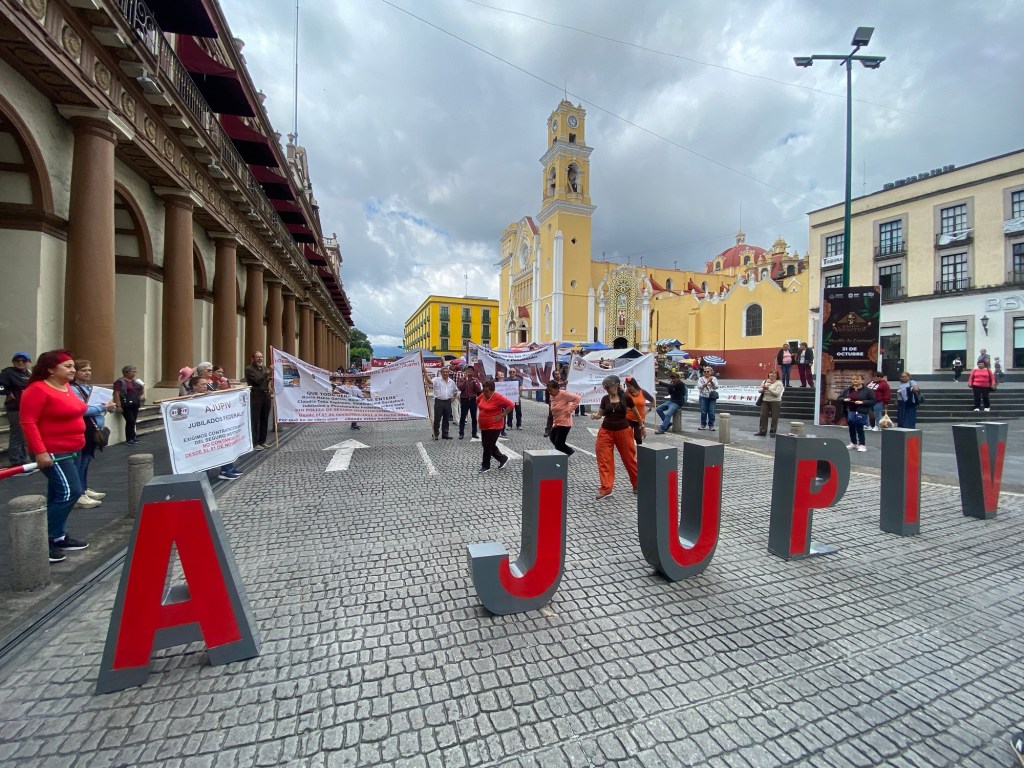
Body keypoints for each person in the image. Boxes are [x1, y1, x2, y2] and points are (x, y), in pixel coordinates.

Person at [18, 350, 90, 563]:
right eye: (67, 366)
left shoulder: (65, 387)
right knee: (71, 492)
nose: (73, 370)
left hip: (74, 448)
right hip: (53, 451)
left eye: (72, 366)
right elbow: (28, 422)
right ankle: (43, 540)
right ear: (50, 369)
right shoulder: (36, 390)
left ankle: (57, 535)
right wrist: (40, 452)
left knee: (57, 494)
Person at [71, 359, 116, 508]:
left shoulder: (88, 388)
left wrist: (108, 407)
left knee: (87, 460)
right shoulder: (73, 389)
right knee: (81, 462)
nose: (88, 373)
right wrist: (102, 408)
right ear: (76, 372)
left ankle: (83, 488)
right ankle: (78, 494)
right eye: (84, 370)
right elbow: (82, 410)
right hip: (85, 428)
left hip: (94, 427)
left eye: (89, 370)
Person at [590, 375, 642, 499]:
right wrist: (595, 416)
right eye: (605, 387)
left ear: (617, 385)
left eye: (609, 386)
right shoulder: (605, 399)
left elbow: (635, 412)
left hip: (623, 431)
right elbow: (600, 414)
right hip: (606, 431)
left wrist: (642, 426)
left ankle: (637, 484)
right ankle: (606, 488)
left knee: (629, 459)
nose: (607, 389)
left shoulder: (626, 398)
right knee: (604, 459)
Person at [186, 366, 242, 481]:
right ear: (194, 386)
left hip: (214, 427)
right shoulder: (190, 398)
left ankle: (227, 469)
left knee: (225, 445)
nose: (205, 386)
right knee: (204, 454)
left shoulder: (208, 394)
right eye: (202, 385)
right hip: (201, 431)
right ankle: (205, 475)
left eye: (206, 384)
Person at [0, 351, 32, 467]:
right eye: (17, 361)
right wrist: (8, 392)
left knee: (25, 435)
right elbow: (0, 386)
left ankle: (23, 460)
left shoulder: (30, 374)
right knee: (17, 435)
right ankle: (15, 462)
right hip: (15, 408)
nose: (20, 363)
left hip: (27, 408)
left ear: (29, 362)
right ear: (13, 362)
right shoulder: (7, 373)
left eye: (24, 361)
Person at [476, 379, 514, 473]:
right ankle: (502, 458)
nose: (484, 393)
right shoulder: (482, 396)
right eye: (483, 390)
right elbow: (478, 402)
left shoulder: (498, 397)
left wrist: (502, 415)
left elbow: (511, 405)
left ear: (492, 390)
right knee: (486, 444)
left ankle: (486, 466)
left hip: (495, 425)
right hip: (484, 425)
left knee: (488, 445)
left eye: (486, 391)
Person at [546, 379, 582, 455]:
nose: (550, 392)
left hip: (565, 422)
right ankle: (563, 453)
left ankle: (569, 452)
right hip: (557, 421)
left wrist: (570, 410)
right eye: (548, 390)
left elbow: (577, 398)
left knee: (559, 443)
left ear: (556, 388)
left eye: (551, 390)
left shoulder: (563, 394)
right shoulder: (552, 395)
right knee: (552, 438)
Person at [245, 352, 272, 449]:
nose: (260, 359)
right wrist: (267, 374)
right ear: (253, 358)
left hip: (266, 394)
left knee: (265, 419)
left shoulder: (264, 368)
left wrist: (270, 378)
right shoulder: (249, 369)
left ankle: (262, 441)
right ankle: (255, 442)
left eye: (261, 357)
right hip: (256, 395)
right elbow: (257, 381)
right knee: (255, 419)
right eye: (258, 357)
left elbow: (265, 380)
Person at [842, 374, 875, 452]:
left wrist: (862, 402)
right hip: (850, 410)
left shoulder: (868, 390)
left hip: (861, 411)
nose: (855, 381)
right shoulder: (848, 390)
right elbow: (840, 398)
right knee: (851, 427)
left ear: (862, 380)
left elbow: (873, 401)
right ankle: (853, 442)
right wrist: (844, 399)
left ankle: (862, 444)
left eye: (857, 379)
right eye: (853, 379)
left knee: (859, 427)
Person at [113, 364, 145, 445]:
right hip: (125, 403)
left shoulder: (135, 382)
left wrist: (142, 386)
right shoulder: (119, 382)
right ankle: (129, 438)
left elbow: (140, 393)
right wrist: (118, 405)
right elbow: (116, 394)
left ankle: (133, 437)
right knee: (130, 420)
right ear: (126, 372)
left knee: (133, 420)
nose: (134, 373)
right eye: (132, 371)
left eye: (135, 371)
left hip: (135, 403)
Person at [623, 377, 654, 445]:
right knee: (628, 436)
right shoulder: (627, 393)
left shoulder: (643, 392)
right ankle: (630, 452)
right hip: (629, 418)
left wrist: (649, 409)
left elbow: (652, 400)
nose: (628, 388)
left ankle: (640, 452)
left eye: (629, 386)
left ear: (634, 385)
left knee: (638, 437)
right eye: (627, 386)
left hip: (639, 419)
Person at [431, 367, 458, 439]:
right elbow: (430, 382)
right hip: (438, 401)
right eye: (444, 372)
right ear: (441, 372)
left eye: (446, 372)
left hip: (447, 402)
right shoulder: (436, 380)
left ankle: (445, 434)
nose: (445, 373)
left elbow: (455, 391)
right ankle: (435, 434)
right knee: (437, 419)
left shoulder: (451, 382)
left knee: (446, 419)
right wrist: (425, 374)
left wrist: (454, 397)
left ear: (448, 373)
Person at [754, 369, 784, 436]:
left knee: (774, 417)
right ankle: (762, 431)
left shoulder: (779, 383)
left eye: (774, 373)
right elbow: (759, 390)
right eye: (770, 373)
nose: (772, 375)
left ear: (777, 375)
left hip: (775, 401)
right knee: (763, 415)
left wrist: (768, 389)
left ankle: (773, 431)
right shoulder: (765, 381)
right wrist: (763, 389)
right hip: (765, 401)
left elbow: (777, 394)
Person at [457, 366, 482, 439]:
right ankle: (461, 433)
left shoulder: (476, 380)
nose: (469, 372)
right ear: (465, 371)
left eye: (471, 370)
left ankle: (474, 433)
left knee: (474, 417)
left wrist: (474, 383)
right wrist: (466, 380)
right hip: (464, 399)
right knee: (463, 417)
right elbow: (460, 388)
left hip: (473, 400)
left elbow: (478, 390)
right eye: (468, 370)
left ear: (473, 372)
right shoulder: (461, 379)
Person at [697, 367, 719, 431]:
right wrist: (707, 382)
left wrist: (711, 382)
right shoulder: (701, 379)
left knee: (711, 412)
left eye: (708, 371)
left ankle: (711, 425)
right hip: (703, 397)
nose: (706, 373)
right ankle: (703, 424)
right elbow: (699, 387)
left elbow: (716, 387)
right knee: (703, 411)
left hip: (712, 397)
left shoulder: (714, 378)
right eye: (705, 371)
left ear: (711, 372)